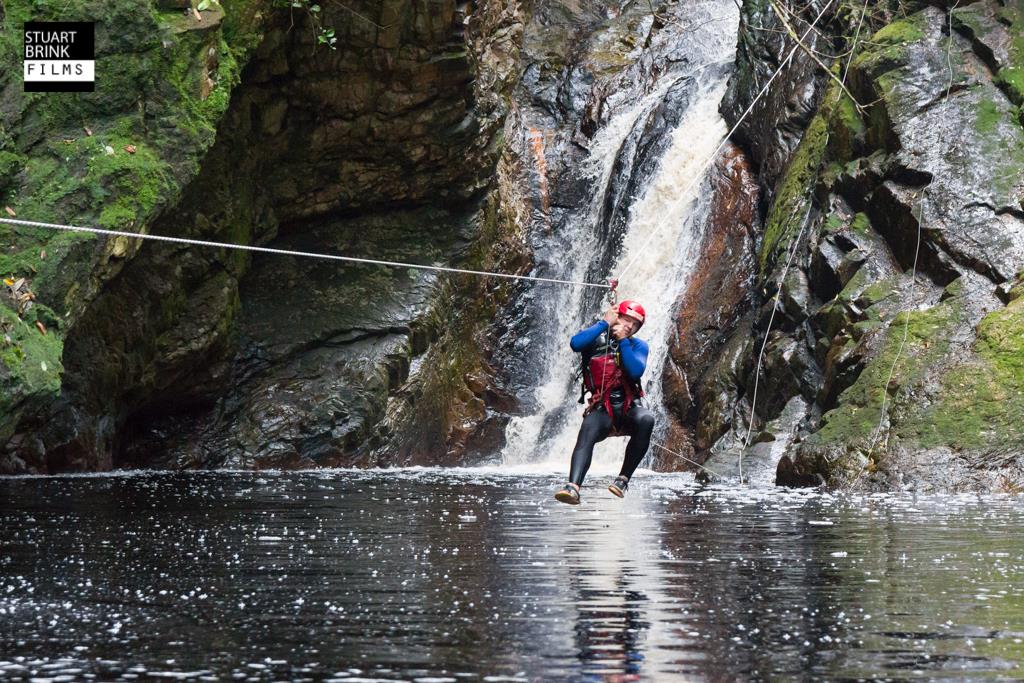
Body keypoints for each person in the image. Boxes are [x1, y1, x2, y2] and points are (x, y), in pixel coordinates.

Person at [555, 300, 654, 505]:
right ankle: (573, 487)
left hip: (629, 408)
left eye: (634, 324)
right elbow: (575, 344)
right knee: (587, 430)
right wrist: (604, 323)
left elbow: (635, 371)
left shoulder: (638, 346)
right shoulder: (594, 340)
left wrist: (623, 340)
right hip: (602, 409)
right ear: (616, 316)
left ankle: (622, 480)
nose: (629, 325)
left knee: (647, 419)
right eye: (626, 319)